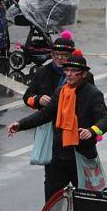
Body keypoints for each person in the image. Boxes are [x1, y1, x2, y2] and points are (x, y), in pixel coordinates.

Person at [8, 50, 107, 195]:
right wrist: (20, 125)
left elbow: (105, 120)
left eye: (74, 71)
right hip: (59, 155)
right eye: (67, 70)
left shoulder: (93, 94)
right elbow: (45, 114)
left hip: (82, 155)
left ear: (83, 74)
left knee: (86, 200)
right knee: (52, 199)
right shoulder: (60, 91)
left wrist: (92, 130)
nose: (69, 74)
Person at [21, 31, 76, 201]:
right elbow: (27, 97)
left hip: (73, 136)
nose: (59, 58)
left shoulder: (80, 75)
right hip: (51, 134)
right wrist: (38, 99)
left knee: (80, 183)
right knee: (52, 182)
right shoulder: (42, 72)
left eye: (64, 55)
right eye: (56, 54)